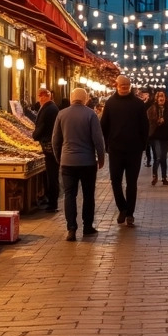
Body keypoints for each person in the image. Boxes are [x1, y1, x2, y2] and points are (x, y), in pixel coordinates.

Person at [52, 87, 106, 240]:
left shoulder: (61, 114)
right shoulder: (91, 114)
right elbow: (98, 140)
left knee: (70, 195)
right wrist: (101, 159)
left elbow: (55, 140)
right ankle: (87, 226)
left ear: (71, 98)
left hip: (67, 162)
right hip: (87, 162)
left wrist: (59, 158)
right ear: (86, 99)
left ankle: (71, 228)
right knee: (88, 195)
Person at [100, 75, 149, 226]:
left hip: (134, 150)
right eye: (122, 85)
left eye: (127, 85)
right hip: (115, 149)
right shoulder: (110, 103)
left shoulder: (138, 104)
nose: (125, 88)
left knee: (131, 183)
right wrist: (108, 144)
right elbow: (104, 126)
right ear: (117, 85)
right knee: (115, 180)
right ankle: (122, 207)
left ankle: (130, 214)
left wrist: (142, 145)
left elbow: (144, 126)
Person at [31, 87, 60, 212]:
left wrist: (34, 136)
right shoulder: (50, 107)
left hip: (49, 145)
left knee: (52, 174)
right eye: (40, 95)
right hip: (49, 144)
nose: (41, 98)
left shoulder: (49, 109)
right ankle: (49, 198)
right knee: (50, 173)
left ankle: (52, 202)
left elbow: (42, 125)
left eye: (44, 95)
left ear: (49, 96)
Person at [147, 91, 168, 186]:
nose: (161, 99)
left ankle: (164, 178)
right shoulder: (152, 109)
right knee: (157, 157)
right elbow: (149, 122)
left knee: (163, 157)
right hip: (155, 136)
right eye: (159, 97)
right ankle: (154, 176)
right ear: (156, 98)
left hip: (166, 136)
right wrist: (157, 121)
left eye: (163, 97)